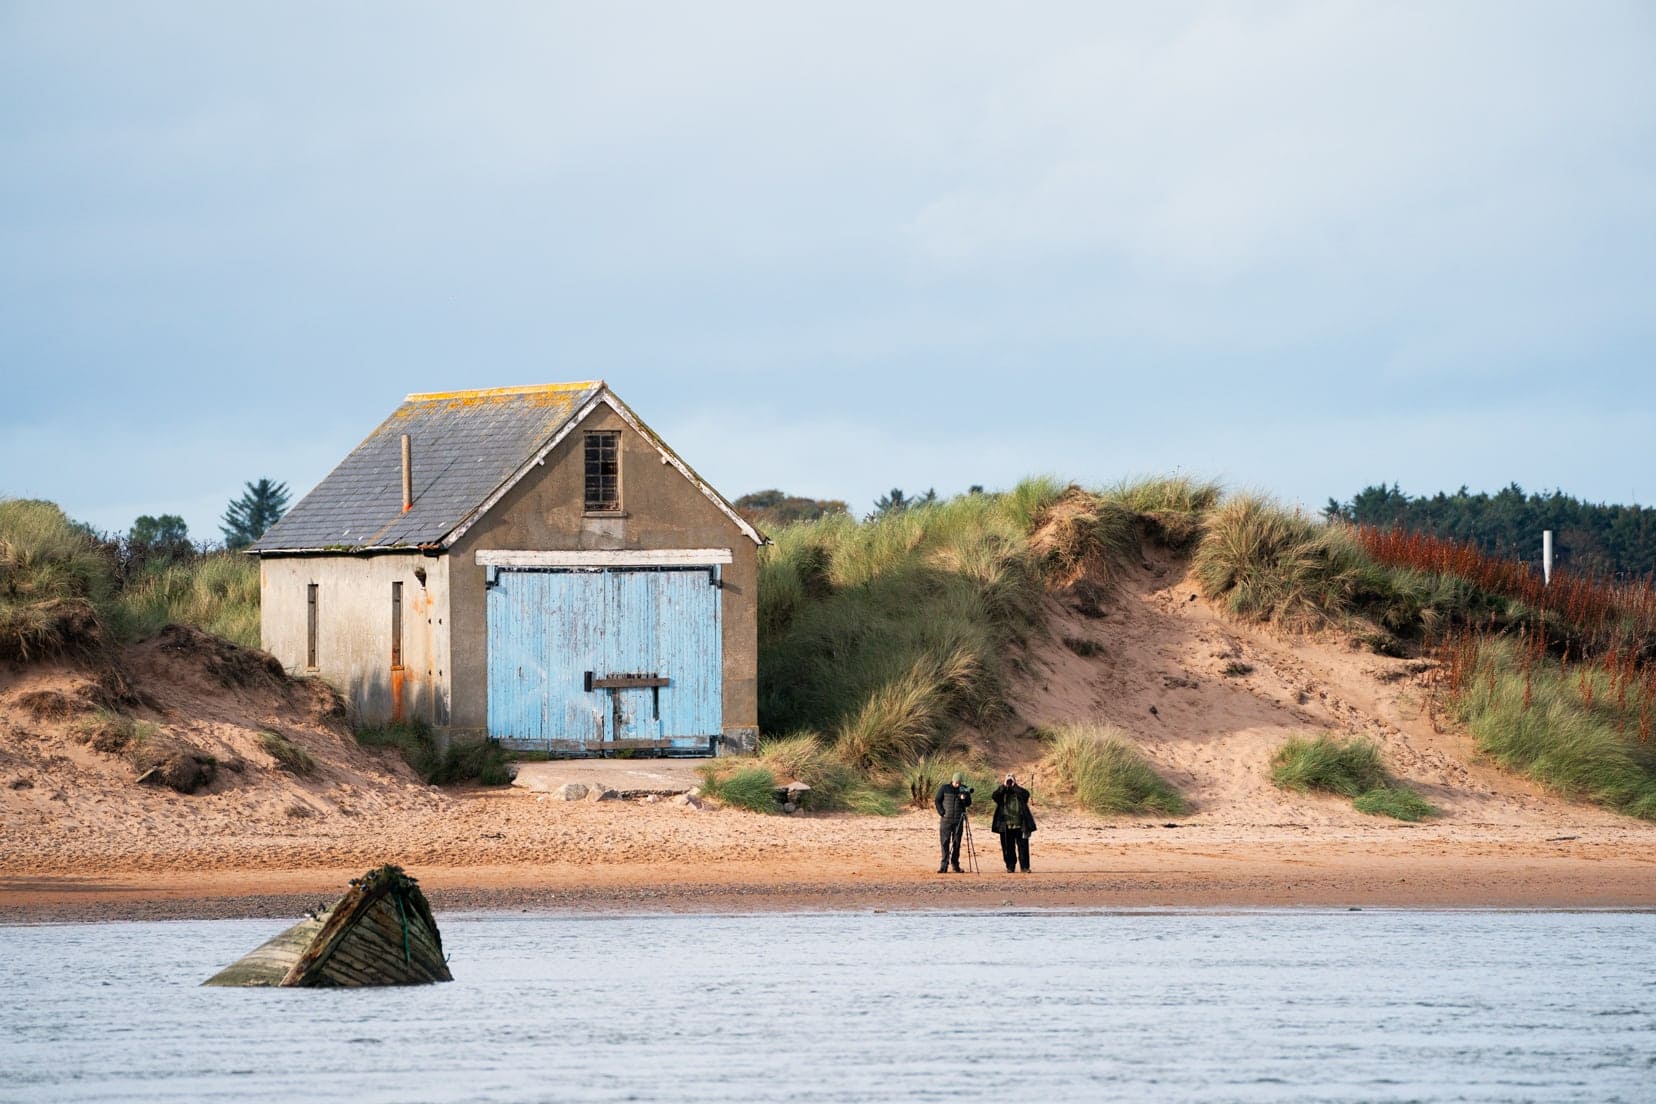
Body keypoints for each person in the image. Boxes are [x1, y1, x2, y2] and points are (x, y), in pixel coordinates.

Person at [991, 772, 1036, 873]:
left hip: (1020, 824)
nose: (1009, 782)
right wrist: (1004, 785)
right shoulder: (1002, 793)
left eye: (1011, 780)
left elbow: (1026, 795)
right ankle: (1010, 866)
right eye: (1008, 780)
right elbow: (994, 796)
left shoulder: (1019, 792)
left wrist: (1014, 786)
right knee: (1007, 847)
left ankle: (1025, 867)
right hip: (1005, 825)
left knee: (1023, 847)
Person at [934, 772, 972, 873]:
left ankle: (955, 865)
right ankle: (944, 865)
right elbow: (937, 800)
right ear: (952, 780)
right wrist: (942, 812)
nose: (957, 784)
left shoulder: (964, 789)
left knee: (957, 843)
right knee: (945, 842)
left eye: (959, 783)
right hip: (946, 820)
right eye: (956, 782)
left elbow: (968, 803)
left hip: (958, 821)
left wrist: (964, 799)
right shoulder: (944, 788)